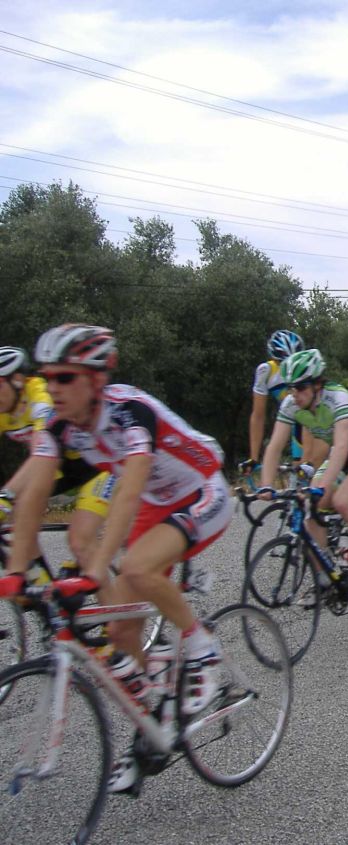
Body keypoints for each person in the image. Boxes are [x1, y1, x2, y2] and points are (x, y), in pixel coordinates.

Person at [0, 325, 233, 793]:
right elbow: (34, 494)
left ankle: (203, 648)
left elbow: (128, 490)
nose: (53, 386)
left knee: (135, 567)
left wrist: (92, 571)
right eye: (49, 376)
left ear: (95, 379)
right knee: (121, 634)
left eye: (65, 377)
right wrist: (17, 573)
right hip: (157, 502)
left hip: (201, 489)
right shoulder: (58, 425)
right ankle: (156, 722)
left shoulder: (129, 411)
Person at [257, 349, 348, 587]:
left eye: (301, 387)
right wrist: (266, 485)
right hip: (341, 454)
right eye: (290, 388)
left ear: (317, 384)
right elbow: (275, 446)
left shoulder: (338, 398)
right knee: (311, 506)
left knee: (343, 501)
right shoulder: (291, 404)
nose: (294, 394)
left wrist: (321, 487)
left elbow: (341, 447)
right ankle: (323, 581)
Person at [0, 346, 115, 565]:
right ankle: (40, 581)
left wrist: (5, 497)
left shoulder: (41, 395)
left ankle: (99, 578)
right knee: (23, 520)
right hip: (59, 468)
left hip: (95, 465)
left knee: (80, 542)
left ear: (17, 380)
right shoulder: (3, 411)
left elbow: (42, 446)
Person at [242, 329, 315, 483]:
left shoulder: (307, 369)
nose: (289, 367)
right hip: (291, 420)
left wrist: (306, 461)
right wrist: (253, 458)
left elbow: (311, 415)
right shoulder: (266, 371)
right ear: (274, 360)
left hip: (311, 421)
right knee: (296, 482)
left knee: (306, 475)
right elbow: (258, 416)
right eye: (283, 363)